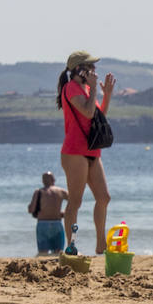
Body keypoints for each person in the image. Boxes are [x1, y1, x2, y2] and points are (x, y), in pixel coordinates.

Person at [56, 51, 115, 255]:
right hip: (74, 151)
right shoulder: (71, 88)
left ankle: (101, 244)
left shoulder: (87, 88)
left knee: (104, 197)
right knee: (76, 201)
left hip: (91, 150)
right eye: (90, 67)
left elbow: (99, 115)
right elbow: (88, 112)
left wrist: (106, 94)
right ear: (79, 70)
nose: (94, 70)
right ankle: (71, 245)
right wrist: (95, 94)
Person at [28, 171, 69, 255]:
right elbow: (75, 202)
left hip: (43, 224)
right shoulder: (60, 191)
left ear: (43, 181)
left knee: (43, 253)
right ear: (53, 180)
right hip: (57, 223)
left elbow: (31, 210)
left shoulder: (38, 192)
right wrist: (65, 213)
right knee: (58, 253)